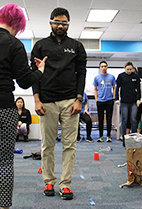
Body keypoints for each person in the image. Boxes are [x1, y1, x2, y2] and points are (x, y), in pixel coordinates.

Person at [31, 7, 86, 200]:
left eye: (64, 23)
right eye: (57, 22)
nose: (60, 25)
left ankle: (66, 184)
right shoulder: (40, 46)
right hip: (47, 101)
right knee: (47, 145)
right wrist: (36, 99)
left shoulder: (76, 46)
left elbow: (81, 74)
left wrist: (79, 99)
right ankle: (49, 181)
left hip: (70, 101)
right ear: (50, 23)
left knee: (69, 146)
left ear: (68, 24)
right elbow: (34, 76)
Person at [0, 4, 46, 209]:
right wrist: (39, 70)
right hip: (4, 108)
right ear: (17, 25)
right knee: (4, 162)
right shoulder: (14, 44)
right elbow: (25, 81)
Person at [115, 61, 141, 143]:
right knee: (124, 120)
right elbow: (117, 88)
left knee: (133, 120)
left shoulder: (136, 76)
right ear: (125, 68)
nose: (129, 71)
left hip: (133, 101)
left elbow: (138, 89)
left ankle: (133, 136)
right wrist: (117, 99)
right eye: (128, 69)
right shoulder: (121, 76)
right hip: (124, 102)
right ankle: (124, 137)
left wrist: (138, 99)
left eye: (130, 69)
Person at [93, 61, 116, 142]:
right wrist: (96, 99)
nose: (103, 67)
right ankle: (101, 136)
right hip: (100, 101)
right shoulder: (97, 78)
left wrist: (114, 97)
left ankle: (109, 136)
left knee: (109, 119)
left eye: (105, 66)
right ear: (100, 68)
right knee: (101, 119)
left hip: (109, 100)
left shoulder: (112, 77)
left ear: (107, 67)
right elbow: (95, 89)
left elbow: (114, 87)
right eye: (102, 66)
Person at [126, 66, 142, 134]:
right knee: (128, 119)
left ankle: (138, 134)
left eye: (133, 71)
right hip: (129, 101)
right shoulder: (127, 79)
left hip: (139, 102)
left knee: (137, 118)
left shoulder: (140, 80)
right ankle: (127, 134)